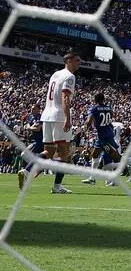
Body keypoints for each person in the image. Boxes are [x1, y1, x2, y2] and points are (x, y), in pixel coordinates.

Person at [38, 52, 81, 194]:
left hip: (47, 115)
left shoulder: (55, 74)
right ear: (68, 60)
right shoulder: (70, 76)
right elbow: (65, 97)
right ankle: (57, 186)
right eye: (76, 60)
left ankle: (27, 170)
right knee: (64, 152)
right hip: (59, 116)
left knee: (49, 151)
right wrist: (68, 118)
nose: (78, 63)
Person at [81, 92, 121, 184]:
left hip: (103, 136)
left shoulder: (94, 109)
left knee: (116, 158)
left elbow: (89, 121)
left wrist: (86, 126)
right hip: (108, 133)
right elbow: (111, 116)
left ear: (95, 100)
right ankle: (92, 178)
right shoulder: (109, 108)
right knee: (95, 155)